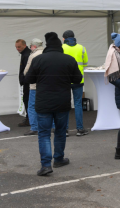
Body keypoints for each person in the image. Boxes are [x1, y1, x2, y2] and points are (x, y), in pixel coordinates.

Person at [25, 32, 82, 176]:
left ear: (47, 46)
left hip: (43, 102)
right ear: (60, 46)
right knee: (60, 132)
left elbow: (29, 79)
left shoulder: (38, 59)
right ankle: (58, 159)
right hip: (62, 101)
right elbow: (77, 79)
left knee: (43, 134)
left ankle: (45, 165)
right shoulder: (69, 59)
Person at [62, 30, 89, 137]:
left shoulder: (61, 48)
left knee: (65, 105)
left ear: (64, 38)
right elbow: (85, 62)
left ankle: (64, 130)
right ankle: (80, 129)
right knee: (78, 104)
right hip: (78, 80)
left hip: (64, 80)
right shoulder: (81, 47)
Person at [23, 38, 44, 136]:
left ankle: (34, 127)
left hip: (35, 86)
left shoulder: (33, 55)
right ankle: (52, 126)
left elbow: (26, 71)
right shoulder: (46, 53)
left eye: (31, 46)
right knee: (47, 106)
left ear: (34, 46)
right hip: (46, 85)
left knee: (32, 107)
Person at [15, 39, 31, 127]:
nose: (17, 48)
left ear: (24, 45)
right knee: (27, 100)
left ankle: (29, 119)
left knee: (27, 100)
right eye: (16, 47)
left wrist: (24, 80)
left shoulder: (27, 55)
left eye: (19, 47)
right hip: (27, 82)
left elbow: (27, 70)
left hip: (28, 82)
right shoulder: (25, 54)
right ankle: (29, 118)